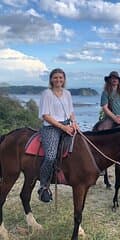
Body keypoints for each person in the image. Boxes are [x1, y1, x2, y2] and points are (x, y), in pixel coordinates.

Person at [38, 68, 78, 202]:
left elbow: (71, 111)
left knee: (83, 145)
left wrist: (74, 123)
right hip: (51, 127)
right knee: (50, 156)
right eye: (55, 77)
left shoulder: (67, 93)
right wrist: (62, 127)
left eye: (61, 77)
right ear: (51, 79)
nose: (58, 80)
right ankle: (43, 186)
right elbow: (46, 115)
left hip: (67, 125)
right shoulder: (47, 94)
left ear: (64, 79)